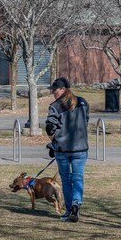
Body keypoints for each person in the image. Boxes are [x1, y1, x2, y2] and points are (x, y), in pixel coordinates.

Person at [45, 77, 89, 222]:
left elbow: (50, 127)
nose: (52, 92)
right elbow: (86, 120)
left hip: (62, 149)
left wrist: (54, 143)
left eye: (54, 89)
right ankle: (77, 203)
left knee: (66, 179)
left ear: (62, 89)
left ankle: (69, 209)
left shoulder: (55, 106)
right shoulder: (83, 102)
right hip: (80, 148)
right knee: (77, 178)